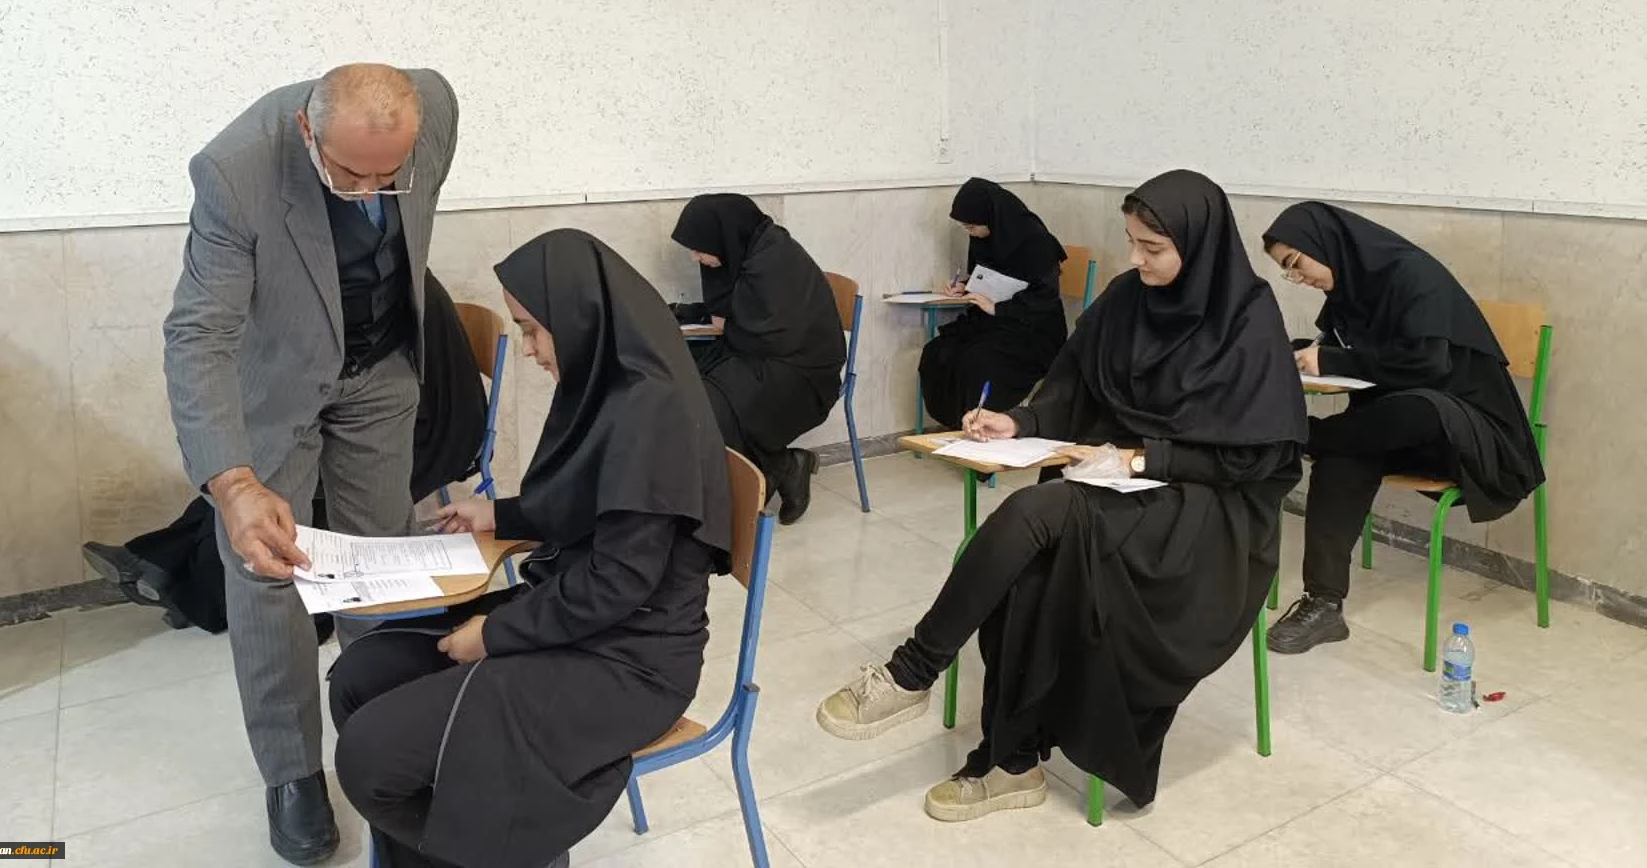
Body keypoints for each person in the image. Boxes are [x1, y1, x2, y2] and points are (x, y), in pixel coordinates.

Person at [815, 170, 1305, 822]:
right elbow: (1072, 386)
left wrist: (1145, 458)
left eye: (1152, 248)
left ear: (1199, 245)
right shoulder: (1129, 298)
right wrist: (1018, 421)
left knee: (1039, 511)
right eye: (1130, 242)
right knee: (1033, 567)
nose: (1135, 260)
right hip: (1114, 487)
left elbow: (1255, 458)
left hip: (1205, 513)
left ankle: (913, 672)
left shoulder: (1246, 319)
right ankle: (1012, 763)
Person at [327, 229, 733, 868]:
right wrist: (500, 513)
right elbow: (588, 502)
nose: (531, 350)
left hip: (631, 661)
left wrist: (495, 635)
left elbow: (617, 582)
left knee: (367, 759)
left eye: (534, 330)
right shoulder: (611, 386)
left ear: (580, 317)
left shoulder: (653, 414)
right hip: (584, 620)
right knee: (359, 677)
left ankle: (516, 847)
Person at [163, 64, 458, 865]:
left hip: (381, 369)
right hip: (279, 382)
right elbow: (198, 333)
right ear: (306, 132)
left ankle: (386, 733)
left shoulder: (433, 107)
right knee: (268, 570)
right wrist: (234, 483)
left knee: (378, 561)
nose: (369, 193)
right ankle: (292, 773)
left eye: (387, 177)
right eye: (349, 174)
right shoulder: (234, 171)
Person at [82, 270, 487, 637]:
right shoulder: (363, 272)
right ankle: (165, 569)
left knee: (280, 498)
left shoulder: (361, 286)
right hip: (414, 422)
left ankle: (174, 576)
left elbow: (357, 393)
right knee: (254, 477)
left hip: (432, 436)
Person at [1261, 203, 1544, 654]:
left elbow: (1427, 365)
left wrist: (1331, 360)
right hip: (1389, 432)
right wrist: (1294, 353)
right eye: (1287, 271)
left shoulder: (1413, 276)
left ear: (1326, 244)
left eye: (1296, 263)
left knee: (1416, 410)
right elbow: (1345, 350)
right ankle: (1324, 604)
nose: (1298, 277)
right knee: (1345, 454)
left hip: (1472, 439)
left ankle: (1299, 436)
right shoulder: (1350, 294)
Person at [669, 193, 843, 525]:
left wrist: (728, 324)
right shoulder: (744, 252)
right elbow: (740, 307)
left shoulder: (777, 260)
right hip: (763, 357)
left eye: (699, 249)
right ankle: (778, 467)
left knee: (712, 402)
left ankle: (772, 473)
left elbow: (779, 333)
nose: (695, 257)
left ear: (722, 237)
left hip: (804, 371)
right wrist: (695, 314)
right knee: (684, 379)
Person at [917, 179, 1068, 428]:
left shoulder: (1035, 240)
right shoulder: (986, 236)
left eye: (972, 226)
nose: (970, 233)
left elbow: (1045, 296)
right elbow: (987, 275)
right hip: (993, 324)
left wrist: (998, 308)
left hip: (1033, 330)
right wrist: (966, 286)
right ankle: (955, 427)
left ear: (992, 217)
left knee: (977, 362)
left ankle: (981, 429)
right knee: (938, 352)